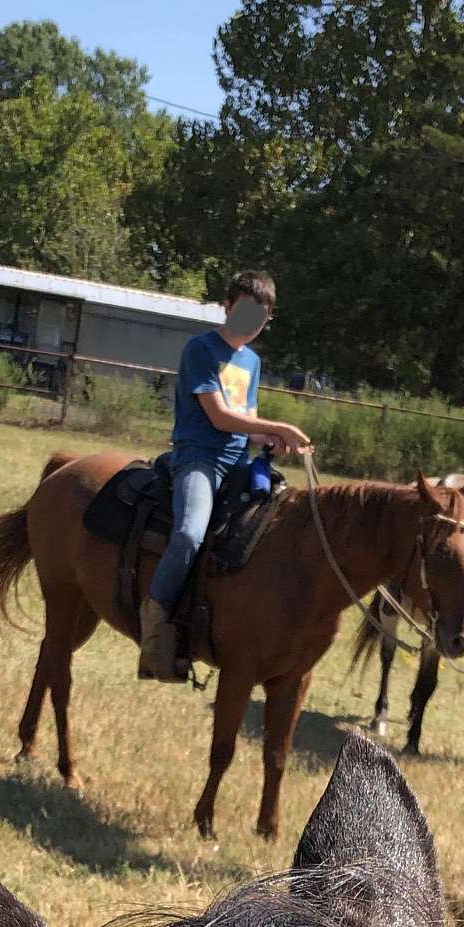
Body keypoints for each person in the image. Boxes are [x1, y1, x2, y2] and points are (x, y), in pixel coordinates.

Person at [139, 270, 314, 681]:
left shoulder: (251, 361)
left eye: (262, 318)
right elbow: (218, 416)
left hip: (238, 463)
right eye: (247, 313)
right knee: (188, 533)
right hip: (199, 458)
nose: (252, 325)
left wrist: (269, 439)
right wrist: (280, 427)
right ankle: (156, 622)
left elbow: (246, 422)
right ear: (229, 307)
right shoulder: (201, 349)